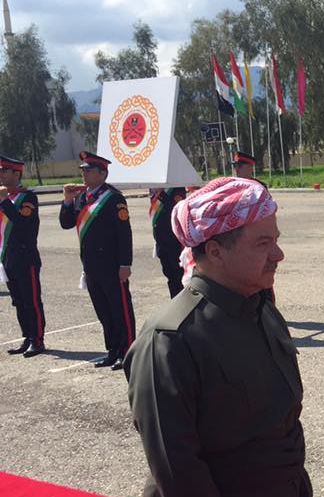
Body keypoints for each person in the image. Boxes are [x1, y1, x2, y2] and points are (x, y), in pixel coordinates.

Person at [125, 177, 324, 497]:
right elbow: (173, 461)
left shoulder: (261, 309)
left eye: (276, 240)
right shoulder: (170, 339)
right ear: (215, 250)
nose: (278, 254)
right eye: (263, 243)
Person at [59, 151, 135, 370]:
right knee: (103, 311)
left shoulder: (113, 198)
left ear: (102, 173)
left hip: (112, 265)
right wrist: (67, 201)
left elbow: (124, 233)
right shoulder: (82, 197)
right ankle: (113, 350)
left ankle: (128, 351)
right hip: (91, 265)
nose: (84, 174)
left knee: (120, 310)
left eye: (89, 170)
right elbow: (66, 223)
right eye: (83, 170)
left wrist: (125, 264)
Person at [0, 155, 45, 357]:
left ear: (16, 174)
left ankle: (37, 340)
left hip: (25, 259)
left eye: (4, 171)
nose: (1, 175)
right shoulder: (4, 198)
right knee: (18, 301)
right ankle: (27, 337)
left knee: (31, 301)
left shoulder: (27, 198)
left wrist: (4, 201)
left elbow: (22, 223)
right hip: (7, 258)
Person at [148, 187, 187, 297]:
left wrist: (161, 195)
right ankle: (175, 301)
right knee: (170, 275)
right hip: (161, 241)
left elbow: (178, 209)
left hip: (174, 241)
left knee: (179, 276)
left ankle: (183, 303)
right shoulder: (154, 188)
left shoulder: (176, 187)